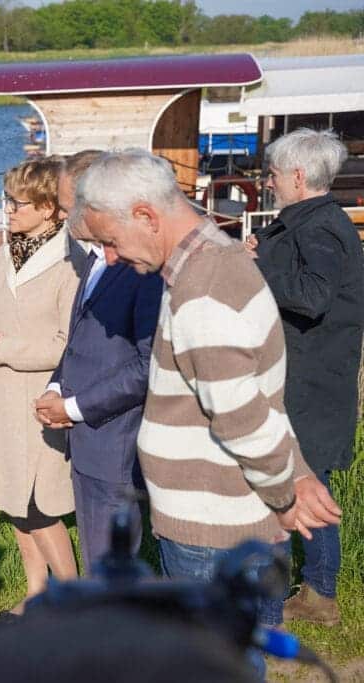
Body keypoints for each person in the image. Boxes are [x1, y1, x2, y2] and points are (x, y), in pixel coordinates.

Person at [75, 148, 339, 672]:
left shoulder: (204, 291)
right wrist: (298, 473)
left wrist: (285, 495)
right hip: (220, 515)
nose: (109, 257)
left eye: (110, 240)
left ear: (146, 216)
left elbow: (242, 418)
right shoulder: (213, 258)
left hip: (211, 528)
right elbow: (259, 395)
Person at [250, 128, 361, 626]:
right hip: (311, 376)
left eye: (273, 174)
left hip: (310, 381)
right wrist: (262, 248)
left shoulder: (320, 227)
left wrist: (258, 263)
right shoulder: (313, 220)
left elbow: (313, 296)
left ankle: (305, 597)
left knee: (296, 481)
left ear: (297, 176)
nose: (268, 182)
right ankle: (318, 592)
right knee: (308, 481)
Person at [34, 150, 163, 574]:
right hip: (87, 438)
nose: (62, 217)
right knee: (97, 557)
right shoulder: (94, 259)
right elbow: (79, 339)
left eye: (68, 207)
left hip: (116, 441)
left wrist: (74, 408)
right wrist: (56, 386)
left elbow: (147, 365)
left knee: (112, 566)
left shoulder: (141, 268)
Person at [0, 158, 80, 615]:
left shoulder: (69, 263)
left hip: (40, 399)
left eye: (18, 203)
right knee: (13, 502)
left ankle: (73, 601)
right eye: (8, 201)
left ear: (49, 208)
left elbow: (65, 344)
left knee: (40, 505)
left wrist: (0, 348)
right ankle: (36, 593)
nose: (9, 210)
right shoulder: (3, 254)